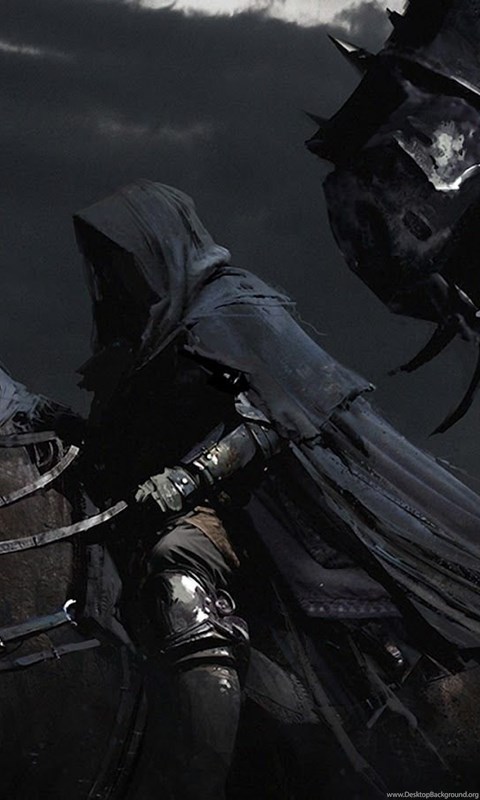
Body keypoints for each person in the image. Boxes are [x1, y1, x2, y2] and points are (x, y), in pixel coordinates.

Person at [75, 180, 480, 798]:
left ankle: (193, 778)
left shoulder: (231, 310)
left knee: (175, 567)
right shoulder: (142, 344)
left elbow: (273, 414)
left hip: (263, 506)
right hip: (179, 506)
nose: (113, 276)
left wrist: (190, 475)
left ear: (155, 245)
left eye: (122, 257)